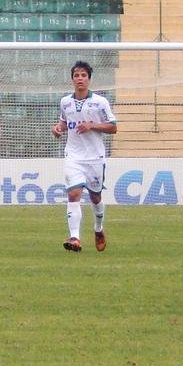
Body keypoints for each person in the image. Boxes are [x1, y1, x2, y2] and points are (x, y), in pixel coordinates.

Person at [52, 60, 117, 252]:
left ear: (88, 79)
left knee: (96, 197)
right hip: (73, 155)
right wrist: (58, 128)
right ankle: (75, 238)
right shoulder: (65, 102)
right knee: (73, 194)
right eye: (76, 75)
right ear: (72, 79)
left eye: (83, 75)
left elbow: (113, 127)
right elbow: (64, 122)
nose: (80, 79)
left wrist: (92, 125)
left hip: (95, 157)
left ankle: (98, 229)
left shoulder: (100, 102)